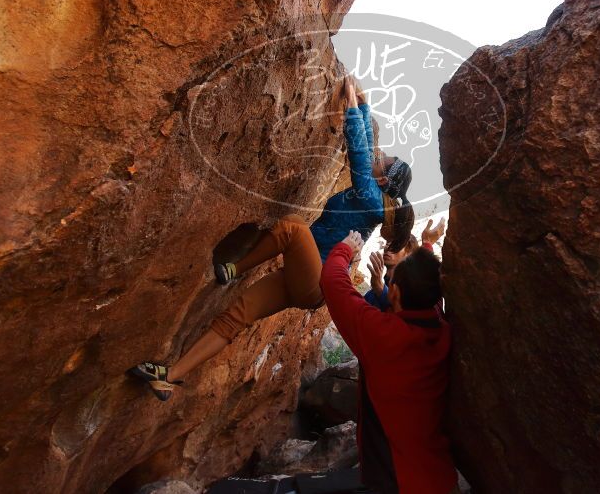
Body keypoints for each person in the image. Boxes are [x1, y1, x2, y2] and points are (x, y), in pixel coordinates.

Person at [129, 76, 415, 401]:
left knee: (293, 227)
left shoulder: (370, 198)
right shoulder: (372, 196)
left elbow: (360, 153)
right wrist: (362, 105)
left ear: (387, 179)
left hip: (317, 280)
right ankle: (168, 377)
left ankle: (234, 269)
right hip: (305, 281)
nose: (384, 155)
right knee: (237, 314)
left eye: (389, 160)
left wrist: (352, 106)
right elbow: (369, 152)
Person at [320, 230, 458, 494]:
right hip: (441, 478)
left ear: (393, 293)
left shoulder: (384, 336)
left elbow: (333, 283)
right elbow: (427, 282)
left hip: (397, 482)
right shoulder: (441, 328)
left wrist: (344, 249)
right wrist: (426, 246)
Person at [364, 217, 446, 311]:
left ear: (409, 254)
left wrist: (381, 289)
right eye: (388, 243)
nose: (387, 247)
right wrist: (427, 243)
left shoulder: (421, 289)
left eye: (396, 245)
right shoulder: (374, 291)